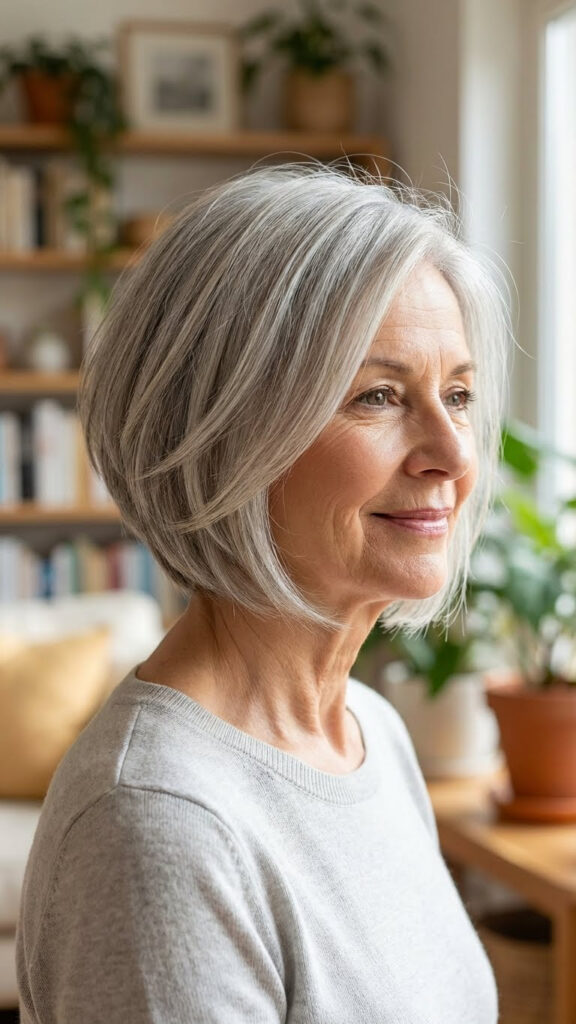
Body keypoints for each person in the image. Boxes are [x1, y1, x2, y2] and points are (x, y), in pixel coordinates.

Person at [16, 161, 508, 1023]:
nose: (453, 454)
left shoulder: (372, 734)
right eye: (380, 395)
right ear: (226, 433)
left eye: (458, 394)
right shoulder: (159, 823)